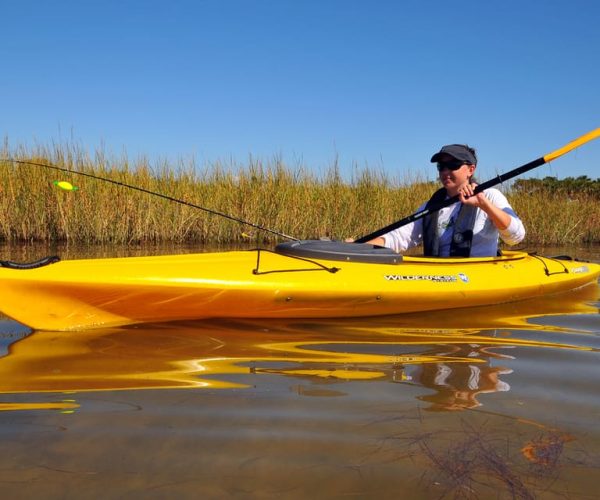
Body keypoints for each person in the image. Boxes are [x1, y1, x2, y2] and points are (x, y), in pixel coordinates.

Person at [367, 144, 525, 257]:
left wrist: (484, 205)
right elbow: (399, 238)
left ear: (471, 169)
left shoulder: (490, 196)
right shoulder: (431, 206)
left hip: (479, 274)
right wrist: (359, 248)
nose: (446, 171)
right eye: (441, 166)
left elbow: (515, 237)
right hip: (443, 277)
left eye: (453, 165)